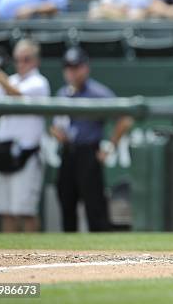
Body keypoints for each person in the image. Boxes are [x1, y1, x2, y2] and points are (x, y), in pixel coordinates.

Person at [50, 47, 133, 232]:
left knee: (94, 207)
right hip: (68, 151)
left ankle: (100, 253)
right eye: (68, 67)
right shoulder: (63, 93)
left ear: (85, 68)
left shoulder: (98, 93)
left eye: (76, 67)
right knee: (66, 201)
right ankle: (67, 252)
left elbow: (125, 119)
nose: (71, 72)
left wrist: (110, 147)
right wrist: (56, 133)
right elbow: (54, 123)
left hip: (88, 152)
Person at [0, 40, 50, 232]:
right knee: (5, 210)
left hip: (26, 155)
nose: (21, 64)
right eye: (18, 59)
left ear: (35, 61)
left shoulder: (39, 82)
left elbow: (16, 95)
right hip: (5, 153)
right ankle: (12, 256)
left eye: (26, 59)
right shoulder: (12, 78)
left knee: (25, 211)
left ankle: (36, 257)